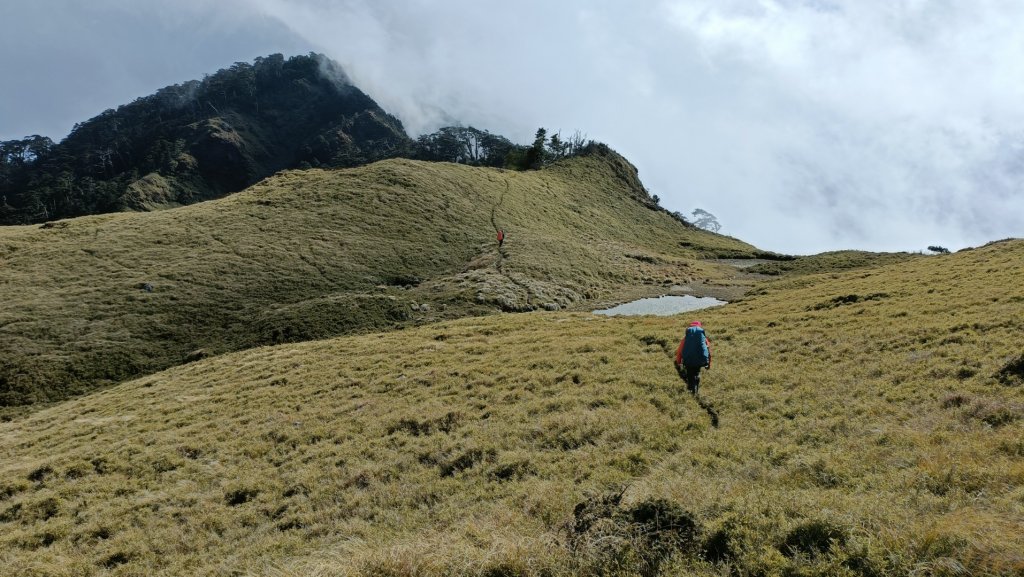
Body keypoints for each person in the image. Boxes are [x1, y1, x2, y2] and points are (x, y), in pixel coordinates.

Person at [674, 320, 712, 395]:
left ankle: (691, 391)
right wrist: (708, 363)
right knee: (696, 372)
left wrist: (678, 362)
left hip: (688, 361)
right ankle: (696, 388)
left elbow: (680, 351)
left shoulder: (685, 339)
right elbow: (708, 351)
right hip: (700, 360)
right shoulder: (703, 338)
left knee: (690, 374)